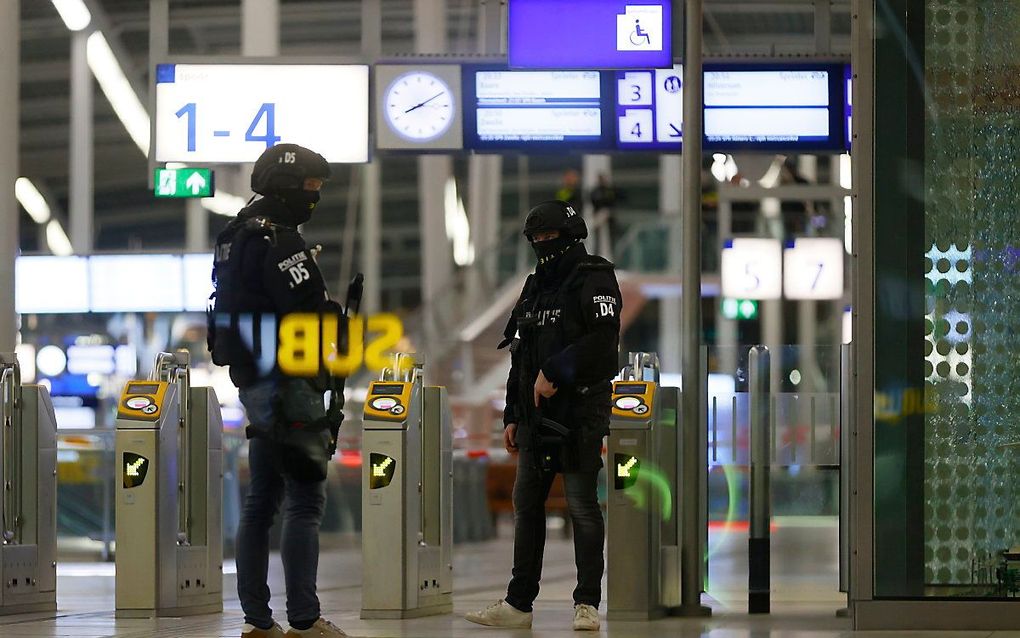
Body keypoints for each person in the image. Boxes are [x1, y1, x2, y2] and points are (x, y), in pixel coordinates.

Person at [208, 143, 347, 638]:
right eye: (311, 187)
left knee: (262, 499)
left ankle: (256, 621)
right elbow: (311, 313)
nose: (314, 196)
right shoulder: (281, 241)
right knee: (305, 501)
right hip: (292, 383)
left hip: (251, 381)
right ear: (289, 187)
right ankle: (305, 621)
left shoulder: (231, 237)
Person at [465, 200, 622, 632]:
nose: (541, 245)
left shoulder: (594, 278)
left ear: (571, 237)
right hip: (535, 418)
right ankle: (519, 604)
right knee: (526, 506)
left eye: (549, 238)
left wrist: (556, 371)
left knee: (582, 507)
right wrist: (512, 415)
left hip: (580, 412)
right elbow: (521, 354)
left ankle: (587, 603)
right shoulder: (534, 286)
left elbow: (604, 342)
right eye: (535, 239)